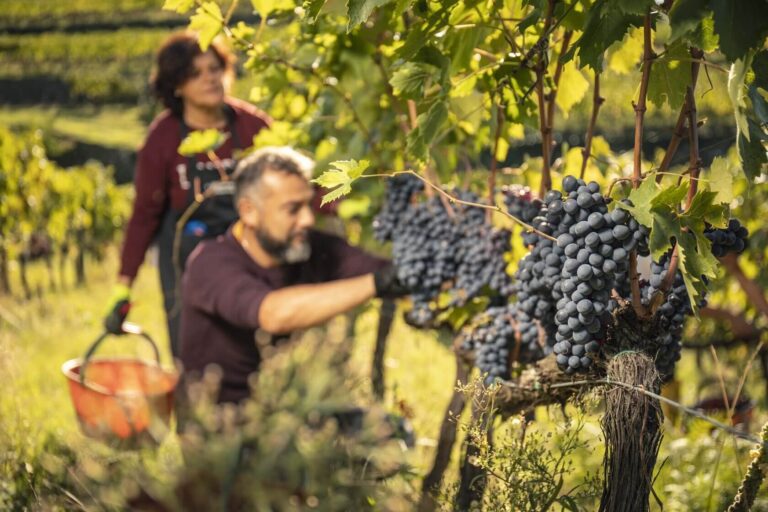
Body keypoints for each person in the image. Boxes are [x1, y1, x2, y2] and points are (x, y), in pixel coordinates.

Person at [178, 146, 406, 405]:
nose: (308, 219)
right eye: (292, 209)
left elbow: (380, 269)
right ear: (249, 211)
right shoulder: (210, 263)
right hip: (219, 427)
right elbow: (273, 314)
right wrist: (378, 284)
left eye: (308, 204)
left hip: (286, 408)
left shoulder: (312, 247)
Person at [103, 32, 271, 355]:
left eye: (214, 68)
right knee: (193, 352)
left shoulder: (252, 126)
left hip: (249, 256)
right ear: (177, 86)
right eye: (195, 73)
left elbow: (296, 182)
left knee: (254, 349)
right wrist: (123, 284)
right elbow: (144, 216)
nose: (210, 78)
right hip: (186, 264)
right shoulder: (163, 139)